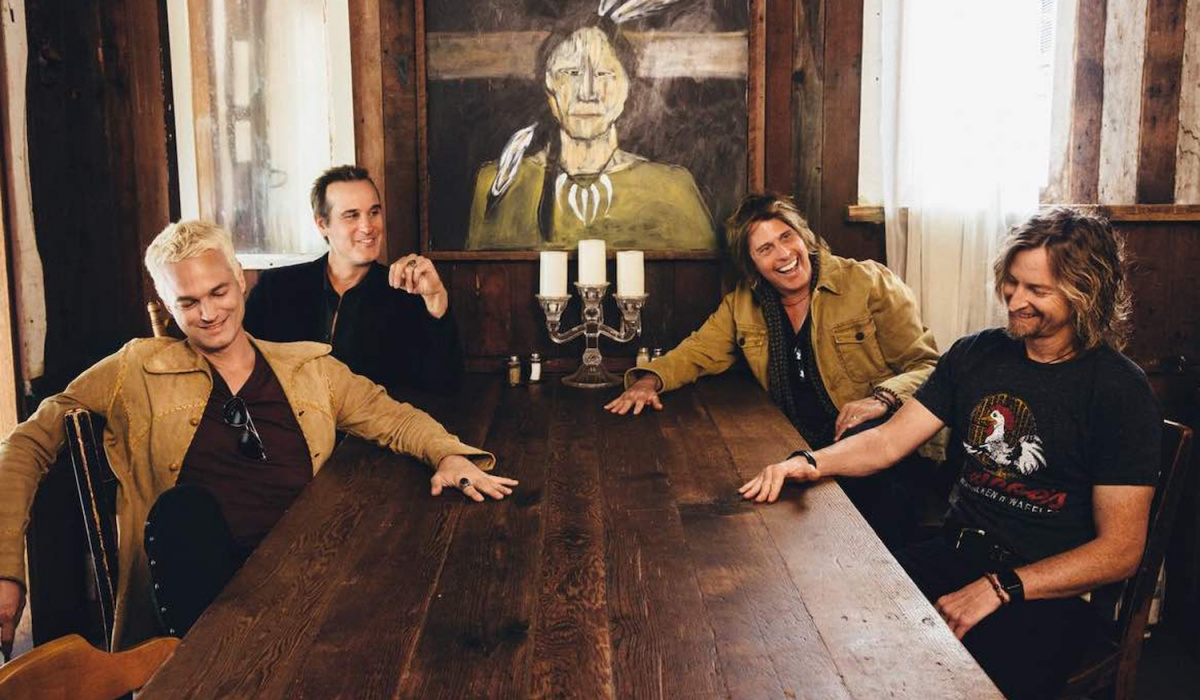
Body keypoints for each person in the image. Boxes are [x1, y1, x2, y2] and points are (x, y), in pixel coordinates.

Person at [0, 220, 517, 654]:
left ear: (241, 280)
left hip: (309, 583)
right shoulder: (137, 368)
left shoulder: (308, 368)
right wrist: (6, 571)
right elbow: (27, 443)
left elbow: (393, 418)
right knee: (183, 513)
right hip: (198, 608)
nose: (208, 314)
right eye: (188, 302)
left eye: (218, 292)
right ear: (166, 304)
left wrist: (448, 454)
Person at [739, 208, 1160, 699]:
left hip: (1044, 589)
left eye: (1036, 290)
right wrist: (809, 463)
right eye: (1012, 282)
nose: (1015, 300)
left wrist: (1001, 587)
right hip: (954, 551)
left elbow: (1120, 550)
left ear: (1085, 293)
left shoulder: (1118, 390)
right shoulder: (976, 354)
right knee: (822, 625)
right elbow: (888, 440)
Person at [606, 192, 940, 547]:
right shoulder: (742, 305)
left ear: (804, 237)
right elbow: (697, 352)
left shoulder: (869, 282)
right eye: (765, 249)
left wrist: (882, 398)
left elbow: (929, 366)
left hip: (877, 457)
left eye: (787, 237)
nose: (783, 254)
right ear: (751, 265)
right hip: (798, 450)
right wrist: (649, 380)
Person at [465, 18, 716, 251]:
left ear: (627, 86)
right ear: (548, 86)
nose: (587, 92)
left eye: (603, 74)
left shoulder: (673, 191)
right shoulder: (502, 186)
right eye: (571, 73)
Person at [245, 165, 464, 394]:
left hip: (377, 418)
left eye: (374, 212)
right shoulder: (275, 289)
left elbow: (446, 385)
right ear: (322, 224)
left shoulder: (407, 294)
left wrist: (436, 298)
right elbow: (241, 370)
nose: (367, 227)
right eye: (352, 216)